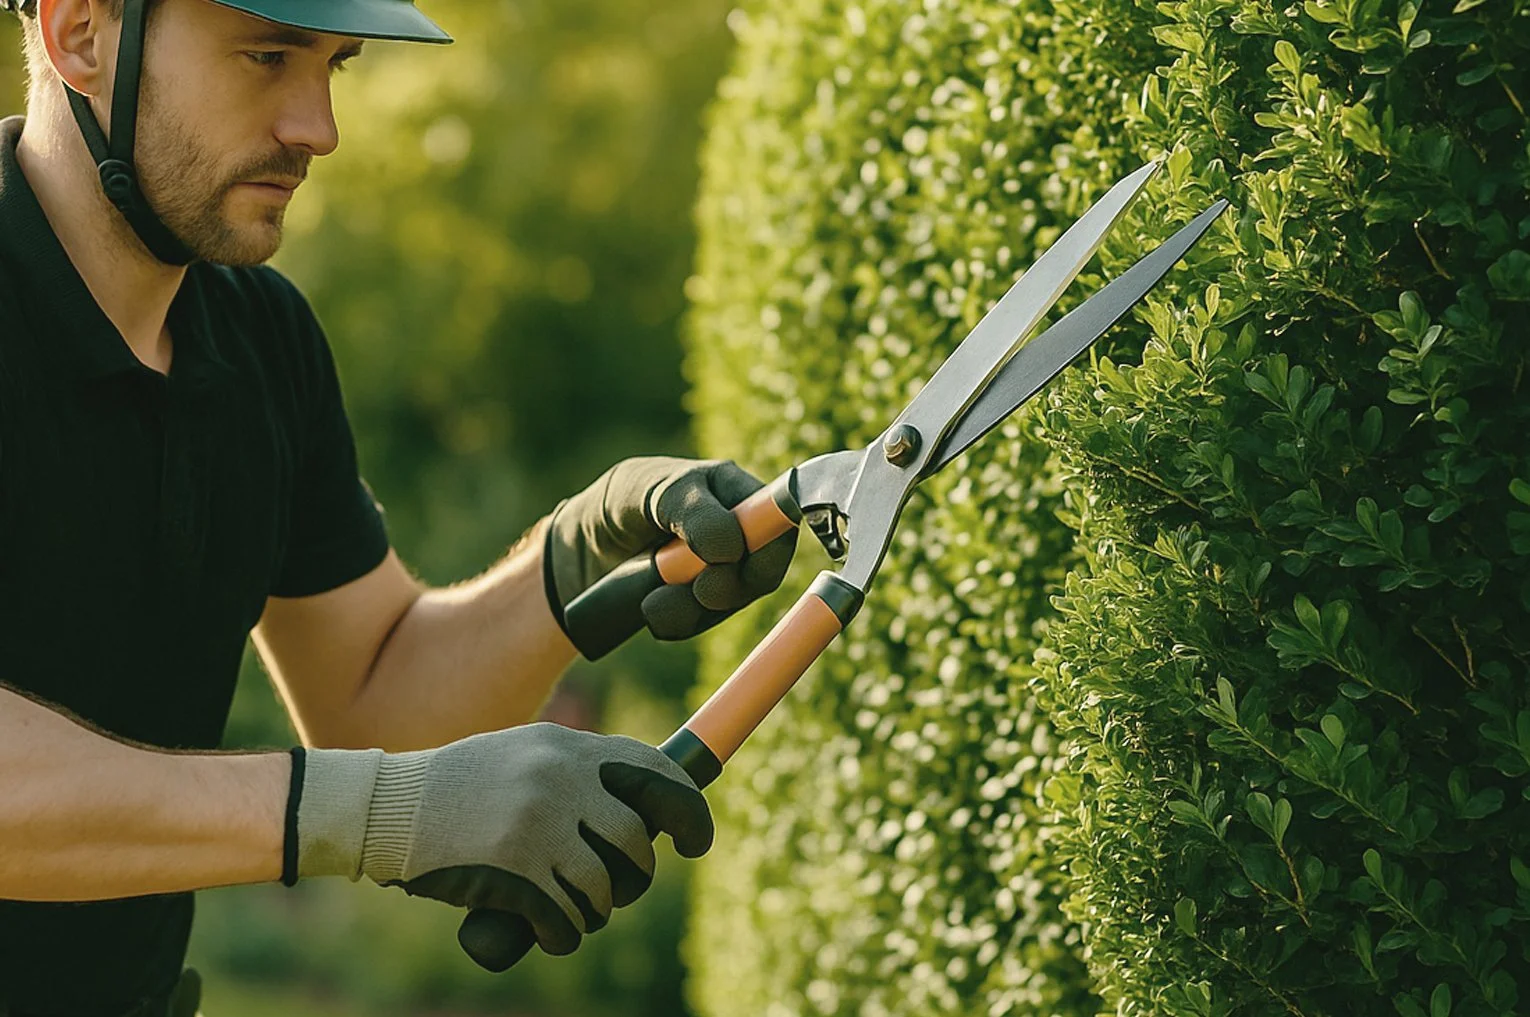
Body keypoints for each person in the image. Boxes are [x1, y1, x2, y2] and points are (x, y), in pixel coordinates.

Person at [0, 0, 798, 1014]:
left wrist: (577, 554)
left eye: (336, 66)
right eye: (267, 56)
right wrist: (380, 812)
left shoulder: (260, 340)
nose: (318, 128)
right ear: (81, 35)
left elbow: (373, 701)